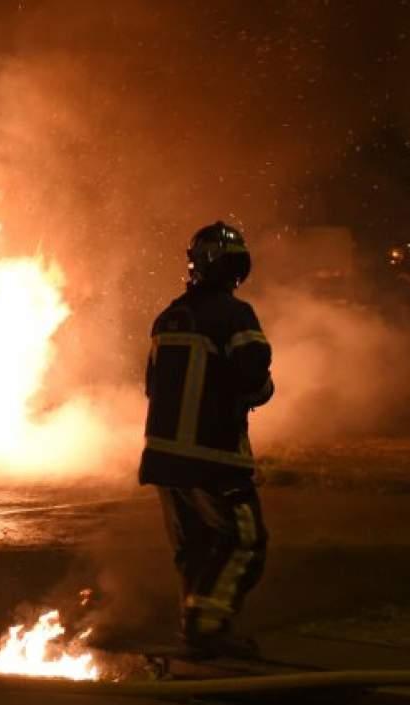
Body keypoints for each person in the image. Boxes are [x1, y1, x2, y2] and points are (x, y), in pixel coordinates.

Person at [139, 221, 274, 659]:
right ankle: (206, 629)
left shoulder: (168, 317)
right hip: (214, 458)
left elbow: (151, 386)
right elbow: (254, 378)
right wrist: (258, 391)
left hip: (164, 459)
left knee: (195, 548)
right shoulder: (236, 315)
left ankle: (196, 627)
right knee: (243, 541)